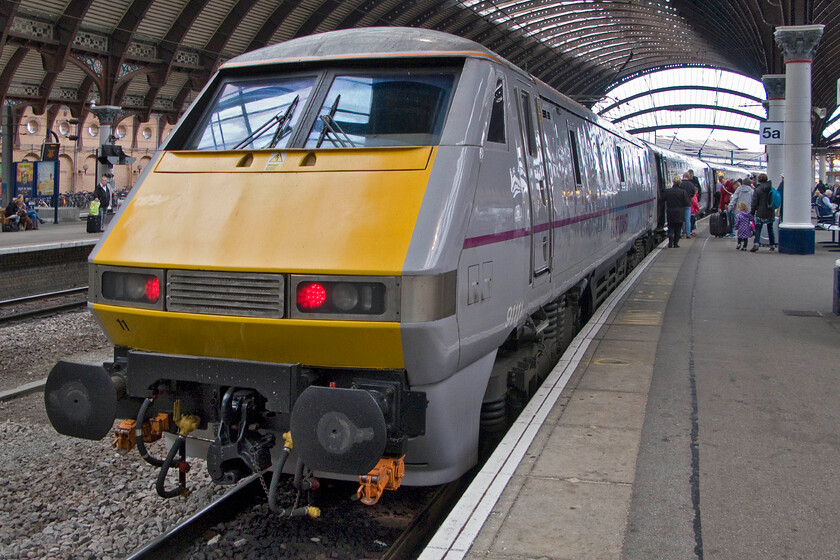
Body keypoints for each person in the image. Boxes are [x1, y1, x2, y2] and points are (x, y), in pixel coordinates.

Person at [750, 172, 776, 252]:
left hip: (760, 212)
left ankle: (756, 244)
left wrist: (752, 211)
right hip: (770, 212)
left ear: (759, 180)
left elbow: (754, 202)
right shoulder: (772, 189)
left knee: (758, 229)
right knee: (770, 229)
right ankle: (772, 245)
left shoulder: (757, 190)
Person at [664, 175, 691, 248]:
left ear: (673, 182)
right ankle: (675, 243)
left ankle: (670, 242)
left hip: (670, 212)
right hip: (680, 212)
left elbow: (663, 200)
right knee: (678, 229)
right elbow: (687, 203)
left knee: (671, 227)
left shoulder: (668, 191)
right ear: (680, 183)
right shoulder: (683, 192)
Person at [679, 171, 696, 238]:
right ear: (688, 177)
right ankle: (688, 234)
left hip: (680, 204)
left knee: (680, 219)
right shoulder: (691, 185)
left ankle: (680, 233)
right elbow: (693, 194)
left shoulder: (680, 184)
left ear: (683, 176)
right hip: (688, 204)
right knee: (687, 220)